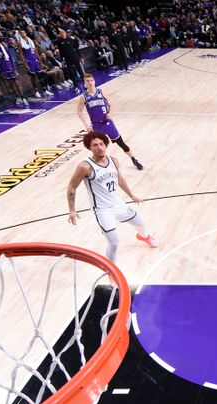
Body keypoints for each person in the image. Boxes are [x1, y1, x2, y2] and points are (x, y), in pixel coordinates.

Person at [66, 131, 158, 263]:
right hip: (102, 210)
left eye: (101, 144)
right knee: (114, 242)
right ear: (89, 147)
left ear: (106, 144)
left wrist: (132, 195)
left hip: (119, 204)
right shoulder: (85, 167)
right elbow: (72, 187)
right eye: (95, 145)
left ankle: (143, 237)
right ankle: (110, 272)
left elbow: (119, 179)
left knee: (140, 223)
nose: (99, 147)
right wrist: (72, 210)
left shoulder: (114, 161)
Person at [76, 73, 144, 170]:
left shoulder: (101, 92)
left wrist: (110, 114)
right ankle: (99, 165)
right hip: (96, 125)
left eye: (91, 80)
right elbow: (79, 111)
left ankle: (134, 159)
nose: (90, 82)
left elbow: (111, 104)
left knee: (121, 143)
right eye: (87, 81)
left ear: (94, 81)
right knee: (98, 147)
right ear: (84, 83)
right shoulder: (84, 97)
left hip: (107, 122)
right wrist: (86, 124)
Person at [0, 35, 27, 107]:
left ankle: (23, 98)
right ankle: (17, 97)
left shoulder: (4, 48)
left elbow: (11, 59)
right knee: (11, 85)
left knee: (17, 83)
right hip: (3, 69)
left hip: (10, 67)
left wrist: (14, 69)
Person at [15, 29, 52, 98]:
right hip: (29, 60)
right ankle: (36, 91)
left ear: (25, 33)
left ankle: (45, 90)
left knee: (40, 75)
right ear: (20, 34)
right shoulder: (19, 42)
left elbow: (35, 51)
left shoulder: (30, 40)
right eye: (21, 33)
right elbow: (21, 54)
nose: (23, 34)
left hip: (35, 58)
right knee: (33, 77)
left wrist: (40, 60)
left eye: (24, 33)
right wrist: (25, 64)